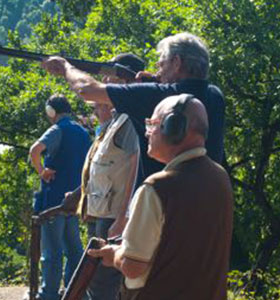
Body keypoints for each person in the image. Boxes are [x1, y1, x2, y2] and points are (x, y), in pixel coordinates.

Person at [88, 94, 234, 300]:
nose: (147, 133)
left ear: (173, 128)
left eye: (153, 124)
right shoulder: (220, 177)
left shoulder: (156, 188)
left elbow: (133, 267)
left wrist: (114, 255)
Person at [41, 32, 225, 184]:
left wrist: (65, 67)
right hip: (208, 195)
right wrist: (151, 81)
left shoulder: (157, 97)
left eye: (161, 64)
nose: (158, 71)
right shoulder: (215, 95)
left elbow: (87, 90)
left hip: (164, 200)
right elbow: (185, 87)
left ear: (177, 63)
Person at [75, 54, 142, 300]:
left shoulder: (128, 119)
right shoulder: (117, 118)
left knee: (103, 282)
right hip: (101, 210)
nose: (104, 80)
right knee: (95, 280)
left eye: (110, 75)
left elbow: (136, 167)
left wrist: (123, 217)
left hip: (113, 215)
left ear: (126, 79)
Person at [29, 94, 91, 300]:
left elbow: (34, 151)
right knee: (74, 250)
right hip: (74, 200)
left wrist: (42, 171)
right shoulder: (83, 132)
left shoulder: (57, 129)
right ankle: (75, 292)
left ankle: (49, 295)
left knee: (52, 253)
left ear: (51, 111)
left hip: (53, 201)